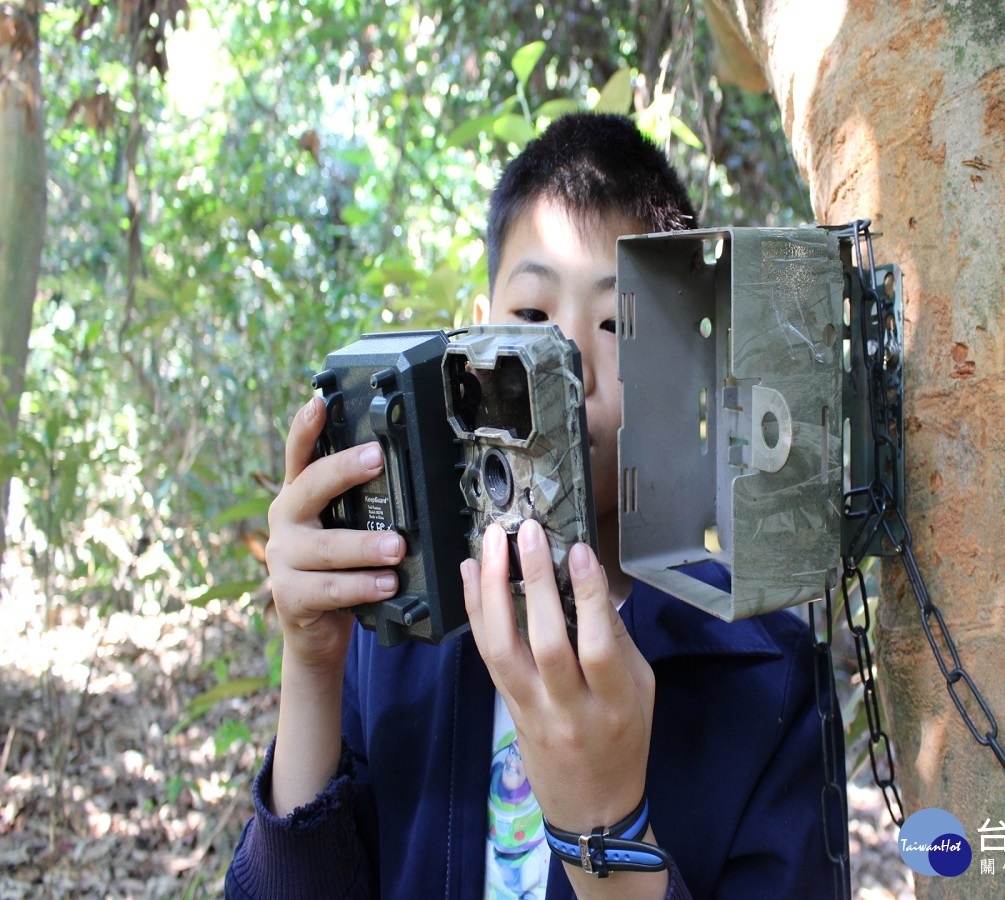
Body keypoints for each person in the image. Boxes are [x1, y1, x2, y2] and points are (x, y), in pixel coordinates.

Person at [225, 112, 844, 899]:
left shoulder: (766, 674)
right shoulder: (397, 624)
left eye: (619, 322)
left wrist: (608, 824)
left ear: (690, 363)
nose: (568, 363)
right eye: (529, 319)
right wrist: (312, 664)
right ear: (471, 342)